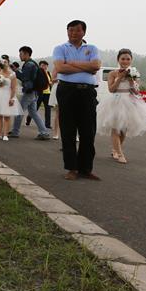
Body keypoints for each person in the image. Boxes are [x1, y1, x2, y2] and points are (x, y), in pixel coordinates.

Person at [53, 20, 102, 180]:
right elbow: (60, 68)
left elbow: (95, 66)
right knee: (68, 130)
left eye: (77, 31)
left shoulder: (92, 48)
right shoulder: (60, 48)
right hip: (67, 91)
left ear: (84, 32)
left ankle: (85, 169)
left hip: (87, 93)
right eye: (70, 30)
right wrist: (85, 66)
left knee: (88, 131)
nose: (73, 33)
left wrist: (72, 63)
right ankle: (71, 168)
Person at [97, 49, 146, 164]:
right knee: (115, 129)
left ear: (131, 60)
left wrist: (132, 81)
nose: (125, 61)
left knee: (123, 130)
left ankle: (115, 149)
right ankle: (120, 154)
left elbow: (137, 92)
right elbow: (111, 89)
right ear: (118, 60)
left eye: (128, 59)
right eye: (123, 58)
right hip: (115, 101)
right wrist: (120, 78)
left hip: (129, 102)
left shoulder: (135, 73)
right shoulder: (113, 73)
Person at [10, 46, 51, 140]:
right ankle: (44, 132)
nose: (19, 55)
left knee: (19, 110)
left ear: (26, 54)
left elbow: (24, 78)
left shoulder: (28, 65)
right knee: (33, 112)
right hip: (35, 91)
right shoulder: (33, 63)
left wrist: (15, 71)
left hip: (29, 91)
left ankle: (15, 132)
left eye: (21, 53)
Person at [0, 59, 21, 140]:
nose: (3, 63)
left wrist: (12, 98)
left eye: (5, 62)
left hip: (7, 94)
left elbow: (13, 87)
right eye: (2, 62)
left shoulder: (12, 74)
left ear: (8, 63)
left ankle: (5, 134)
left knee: (6, 116)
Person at [28, 60, 53, 129]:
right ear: (39, 66)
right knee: (35, 108)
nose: (44, 67)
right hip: (40, 93)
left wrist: (51, 82)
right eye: (42, 65)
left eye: (45, 65)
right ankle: (28, 119)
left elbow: (50, 81)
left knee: (48, 109)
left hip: (47, 93)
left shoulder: (48, 73)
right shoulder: (37, 73)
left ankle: (47, 124)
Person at [49, 66, 61, 139]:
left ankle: (74, 135)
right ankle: (56, 133)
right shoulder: (57, 66)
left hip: (70, 88)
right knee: (58, 112)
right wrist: (59, 79)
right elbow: (52, 79)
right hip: (58, 87)